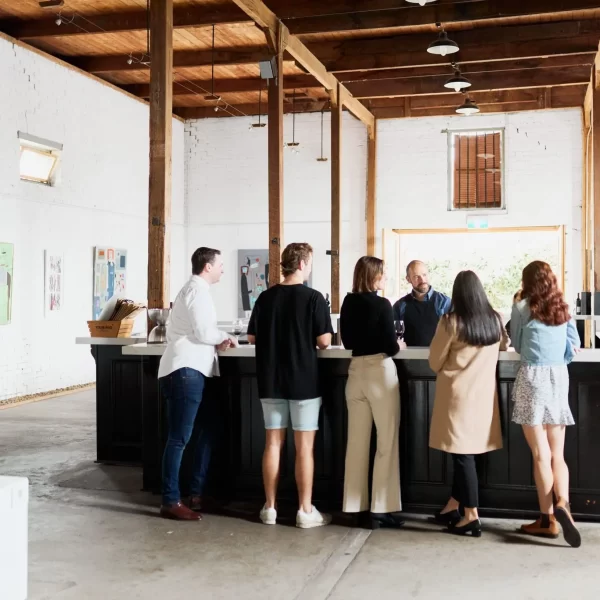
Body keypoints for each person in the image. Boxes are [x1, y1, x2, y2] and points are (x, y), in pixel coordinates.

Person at [246, 242, 334, 528]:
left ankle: (270, 508)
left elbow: (252, 338)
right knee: (304, 449)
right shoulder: (313, 298)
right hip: (304, 382)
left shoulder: (265, 298)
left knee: (272, 443)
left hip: (271, 380)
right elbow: (324, 341)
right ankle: (304, 511)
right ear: (301, 264)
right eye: (309, 263)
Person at [157, 247, 238, 521]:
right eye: (220, 265)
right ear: (207, 267)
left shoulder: (193, 291)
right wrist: (225, 336)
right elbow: (204, 332)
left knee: (208, 428)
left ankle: (196, 493)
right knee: (179, 438)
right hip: (185, 371)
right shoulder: (197, 292)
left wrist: (218, 338)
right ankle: (170, 500)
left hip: (190, 371)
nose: (223, 270)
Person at [429, 271, 509, 538]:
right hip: (484, 398)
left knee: (462, 455)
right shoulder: (495, 320)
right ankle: (452, 506)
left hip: (457, 397)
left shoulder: (451, 321)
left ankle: (471, 515)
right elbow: (504, 347)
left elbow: (434, 361)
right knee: (468, 452)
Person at [511, 261, 582, 548]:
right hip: (558, 378)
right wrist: (559, 361)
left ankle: (547, 520)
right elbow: (573, 344)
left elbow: (516, 343)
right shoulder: (563, 307)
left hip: (531, 377)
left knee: (540, 455)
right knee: (558, 455)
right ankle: (563, 503)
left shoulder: (521, 307)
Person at [340, 256, 405, 529]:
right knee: (386, 441)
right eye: (382, 274)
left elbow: (348, 343)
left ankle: (355, 506)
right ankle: (381, 508)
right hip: (380, 371)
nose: (385, 277)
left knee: (356, 443)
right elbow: (389, 345)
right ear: (373, 276)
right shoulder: (382, 304)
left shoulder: (347, 302)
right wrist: (399, 345)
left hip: (355, 373)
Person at [392, 260, 451, 347]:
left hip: (438, 358)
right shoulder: (399, 306)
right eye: (416, 276)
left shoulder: (445, 302)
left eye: (424, 275)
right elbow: (393, 336)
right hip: (409, 358)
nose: (422, 280)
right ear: (408, 279)